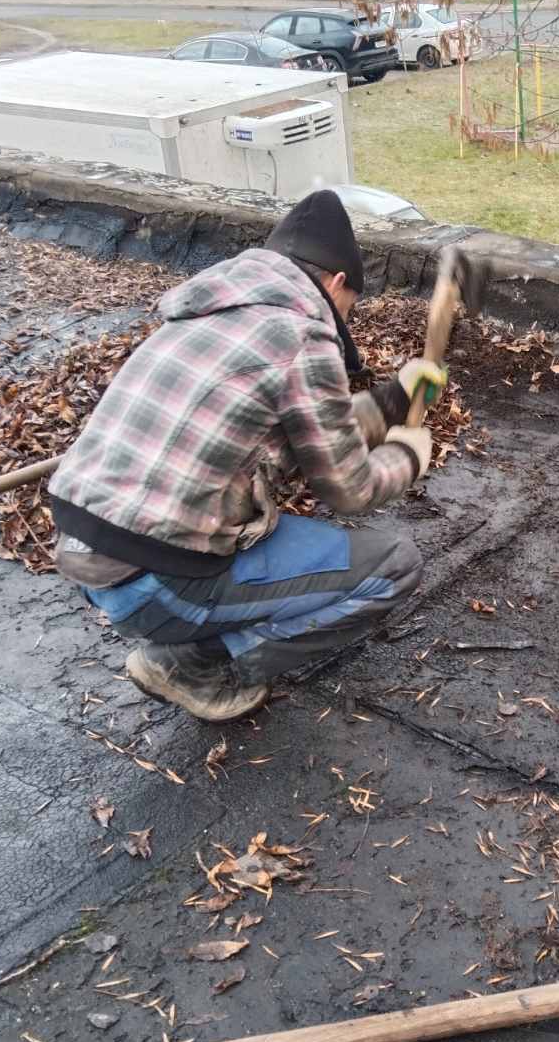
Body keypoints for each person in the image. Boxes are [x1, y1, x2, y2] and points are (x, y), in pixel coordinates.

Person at [48, 189, 447, 723]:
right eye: (352, 304)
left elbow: (309, 427)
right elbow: (350, 490)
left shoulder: (209, 311)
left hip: (86, 555)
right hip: (156, 583)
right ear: (335, 283)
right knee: (394, 565)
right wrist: (408, 455)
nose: (346, 318)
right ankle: (191, 664)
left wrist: (394, 399)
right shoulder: (301, 334)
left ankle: (187, 638)